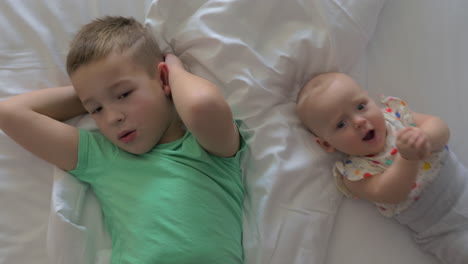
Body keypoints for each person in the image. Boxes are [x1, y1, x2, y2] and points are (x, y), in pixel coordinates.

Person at [0, 16, 246, 264]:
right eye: (96, 110)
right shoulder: (103, 157)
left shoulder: (208, 148)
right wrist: (92, 92)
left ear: (163, 80)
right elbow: (9, 113)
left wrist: (175, 70)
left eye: (124, 94)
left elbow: (201, 104)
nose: (112, 118)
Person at [296, 72, 468, 264]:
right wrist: (407, 159)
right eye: (341, 124)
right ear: (327, 145)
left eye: (361, 106)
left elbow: (441, 128)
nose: (359, 121)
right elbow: (390, 193)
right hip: (443, 232)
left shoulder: (396, 116)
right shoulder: (353, 173)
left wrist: (426, 137)